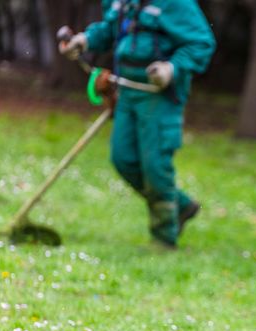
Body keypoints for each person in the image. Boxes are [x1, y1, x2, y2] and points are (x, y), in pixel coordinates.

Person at [59, 0, 216, 249]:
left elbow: (201, 43)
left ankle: (163, 237)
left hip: (160, 95)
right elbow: (111, 29)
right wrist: (85, 40)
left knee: (155, 165)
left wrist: (172, 68)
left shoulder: (176, 4)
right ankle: (181, 206)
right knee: (123, 159)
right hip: (127, 92)